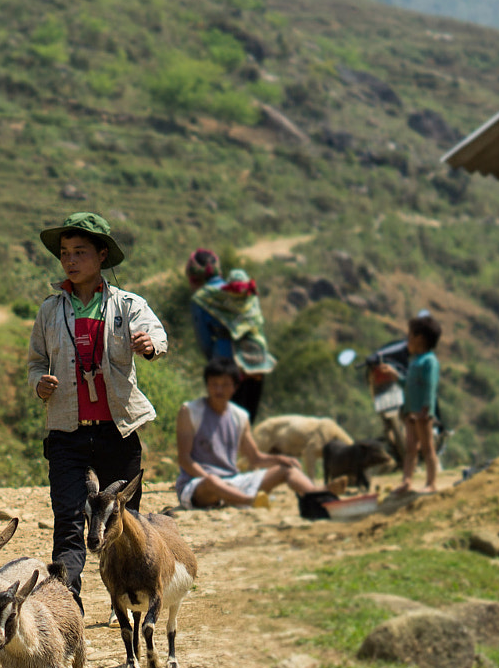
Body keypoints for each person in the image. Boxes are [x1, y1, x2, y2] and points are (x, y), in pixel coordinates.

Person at [28, 211, 168, 609]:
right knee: (69, 520)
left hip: (117, 431)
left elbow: (156, 334)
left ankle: (123, 594)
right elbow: (36, 362)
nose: (70, 260)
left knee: (124, 520)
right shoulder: (50, 311)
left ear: (102, 255)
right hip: (66, 432)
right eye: (65, 253)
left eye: (80, 252)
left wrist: (149, 345)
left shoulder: (128, 306)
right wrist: (39, 383)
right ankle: (67, 601)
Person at [176, 357, 328, 509]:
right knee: (212, 482)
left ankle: (320, 498)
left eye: (224, 385)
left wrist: (282, 459)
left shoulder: (240, 416)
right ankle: (251, 501)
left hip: (233, 481)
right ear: (207, 385)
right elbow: (185, 459)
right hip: (198, 483)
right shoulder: (190, 411)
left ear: (235, 387)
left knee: (288, 470)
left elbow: (255, 458)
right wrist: (208, 478)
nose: (219, 390)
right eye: (214, 384)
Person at [187, 257, 274, 422]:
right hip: (258, 361)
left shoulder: (204, 298)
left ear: (194, 278)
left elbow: (204, 341)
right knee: (248, 417)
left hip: (226, 361)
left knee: (226, 418)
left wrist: (214, 363)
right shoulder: (249, 294)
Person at [393, 311, 442, 495]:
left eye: (410, 335)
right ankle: (407, 481)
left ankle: (432, 483)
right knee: (411, 447)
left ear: (419, 338)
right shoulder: (414, 361)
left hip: (422, 412)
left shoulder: (429, 361)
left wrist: (426, 410)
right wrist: (395, 376)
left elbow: (430, 387)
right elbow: (408, 384)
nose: (407, 339)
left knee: (427, 448)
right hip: (411, 412)